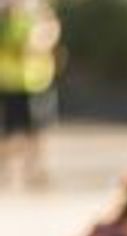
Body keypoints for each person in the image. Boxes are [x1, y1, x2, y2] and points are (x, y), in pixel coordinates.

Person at [0, 0, 59, 187]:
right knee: (11, 132)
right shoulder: (5, 16)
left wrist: (40, 38)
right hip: (11, 82)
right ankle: (5, 170)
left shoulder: (39, 11)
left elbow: (50, 33)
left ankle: (34, 171)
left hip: (38, 81)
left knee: (37, 131)